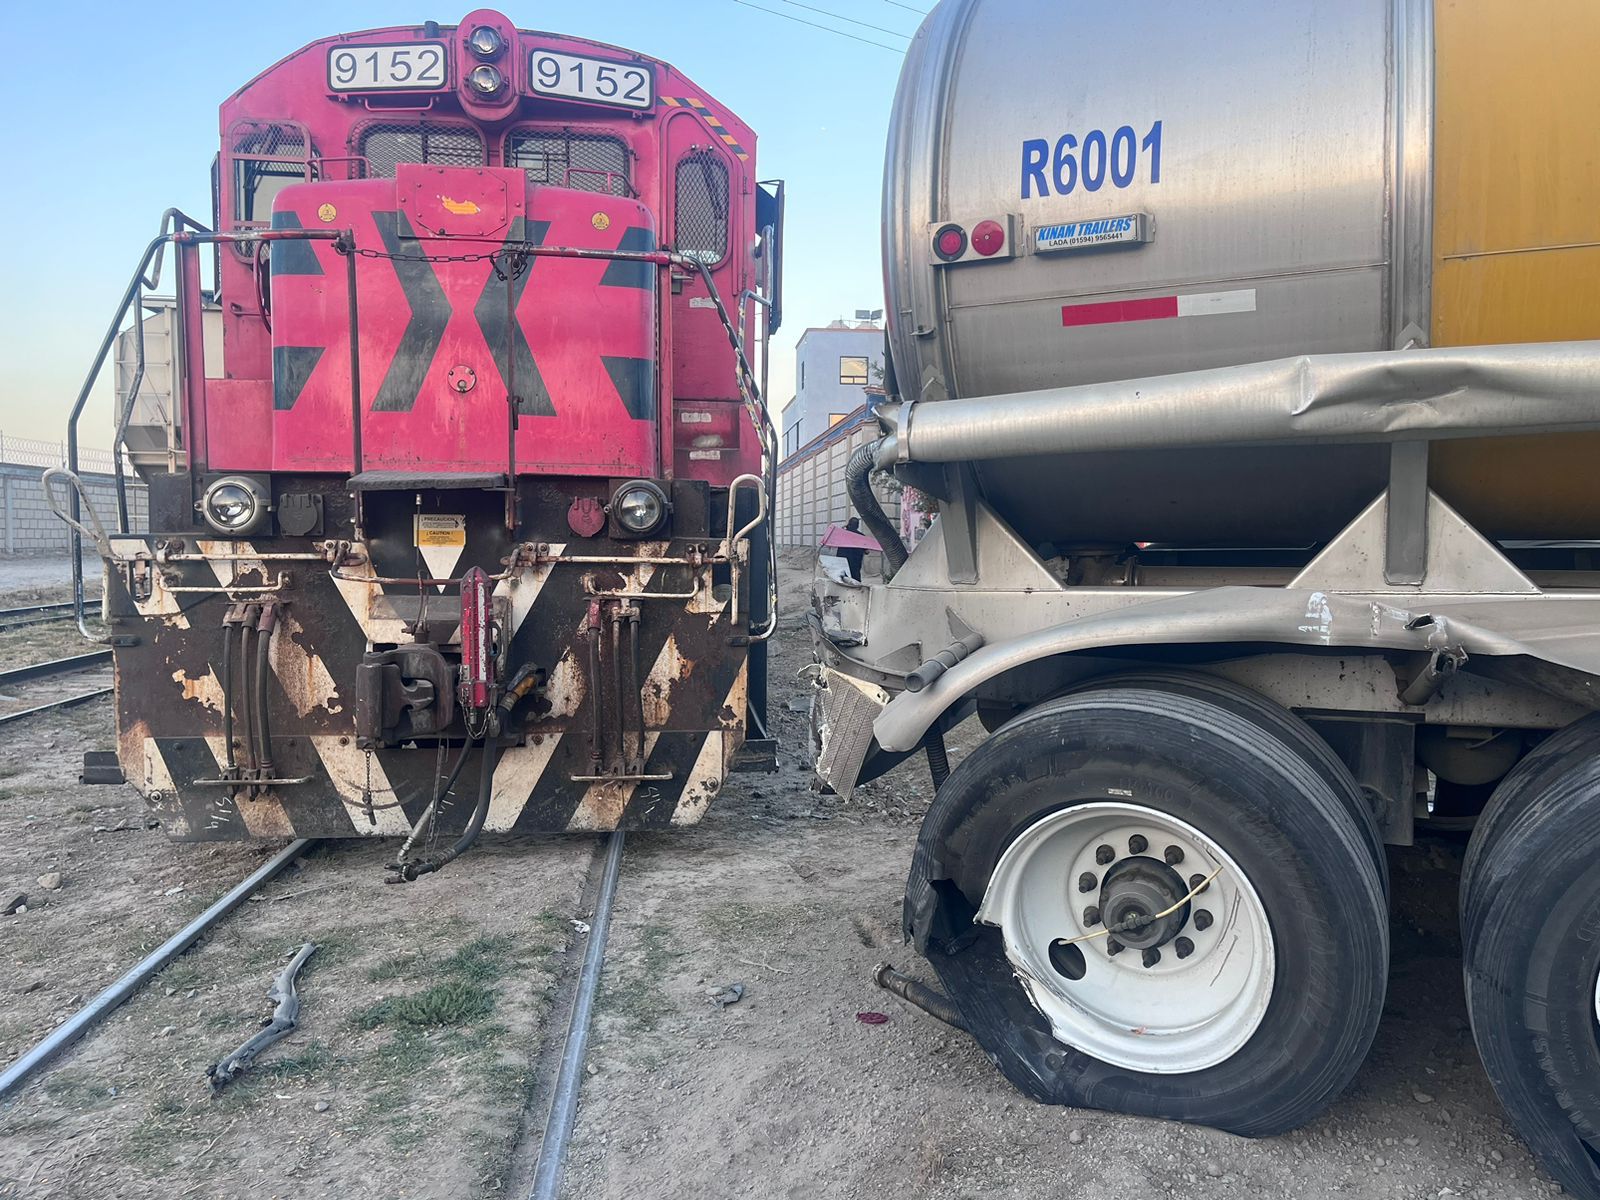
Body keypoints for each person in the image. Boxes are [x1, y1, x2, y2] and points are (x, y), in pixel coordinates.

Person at [840, 517, 867, 581]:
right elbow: (867, 551)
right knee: (855, 576)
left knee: (843, 576)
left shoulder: (842, 534)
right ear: (857, 526)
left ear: (849, 524)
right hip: (856, 561)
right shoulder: (861, 536)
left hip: (843, 560)